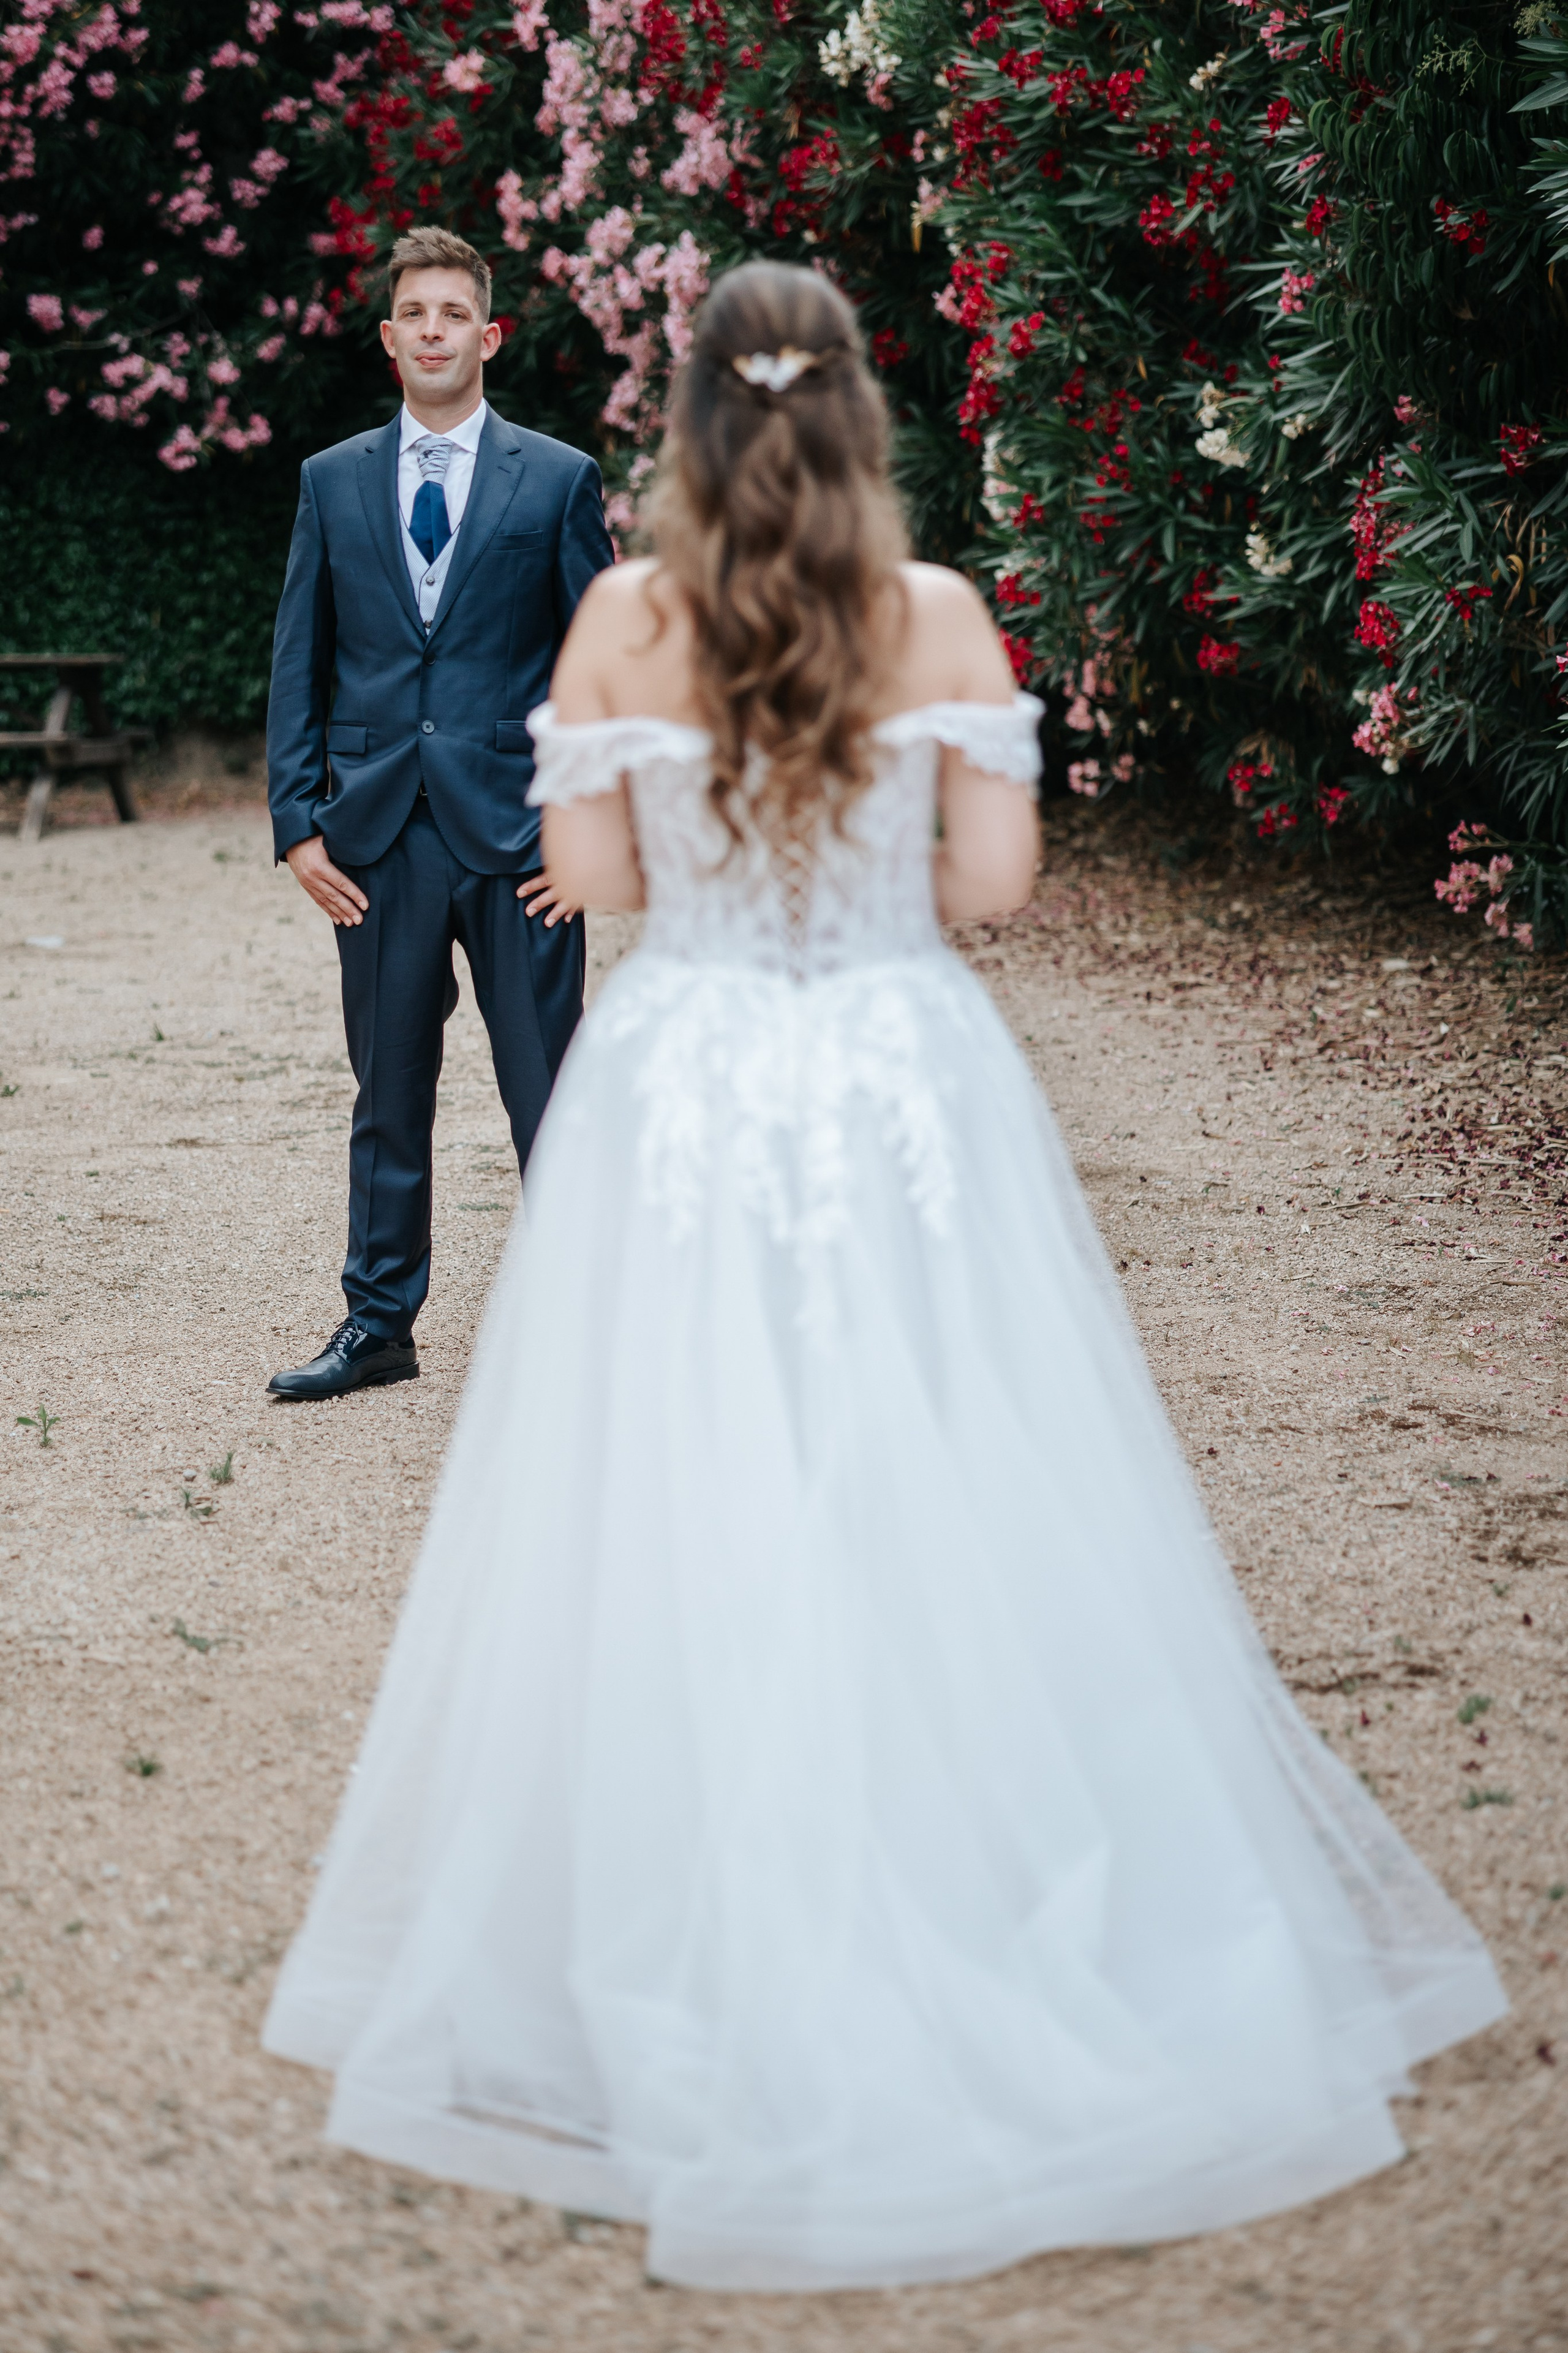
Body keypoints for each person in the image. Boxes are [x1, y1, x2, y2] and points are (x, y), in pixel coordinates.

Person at [263, 262, 1505, 2290]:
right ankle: (984, 1860)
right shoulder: (928, 611)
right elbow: (992, 883)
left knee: (672, 1478)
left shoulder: (621, 615)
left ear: (685, 419)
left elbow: (623, 889)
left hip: (692, 1074)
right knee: (955, 1445)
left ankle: (671, 1903)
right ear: (853, 411)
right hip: (898, 1072)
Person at [264, 225, 614, 1402]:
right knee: (389, 1090)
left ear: (489, 334)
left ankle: (584, 1324)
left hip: (521, 842)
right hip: (374, 839)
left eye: (453, 313)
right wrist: (298, 824)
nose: (431, 330)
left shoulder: (558, 480)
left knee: (549, 1088)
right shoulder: (330, 480)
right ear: (387, 337)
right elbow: (299, 657)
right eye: (413, 312)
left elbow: (604, 665)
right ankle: (378, 1325)